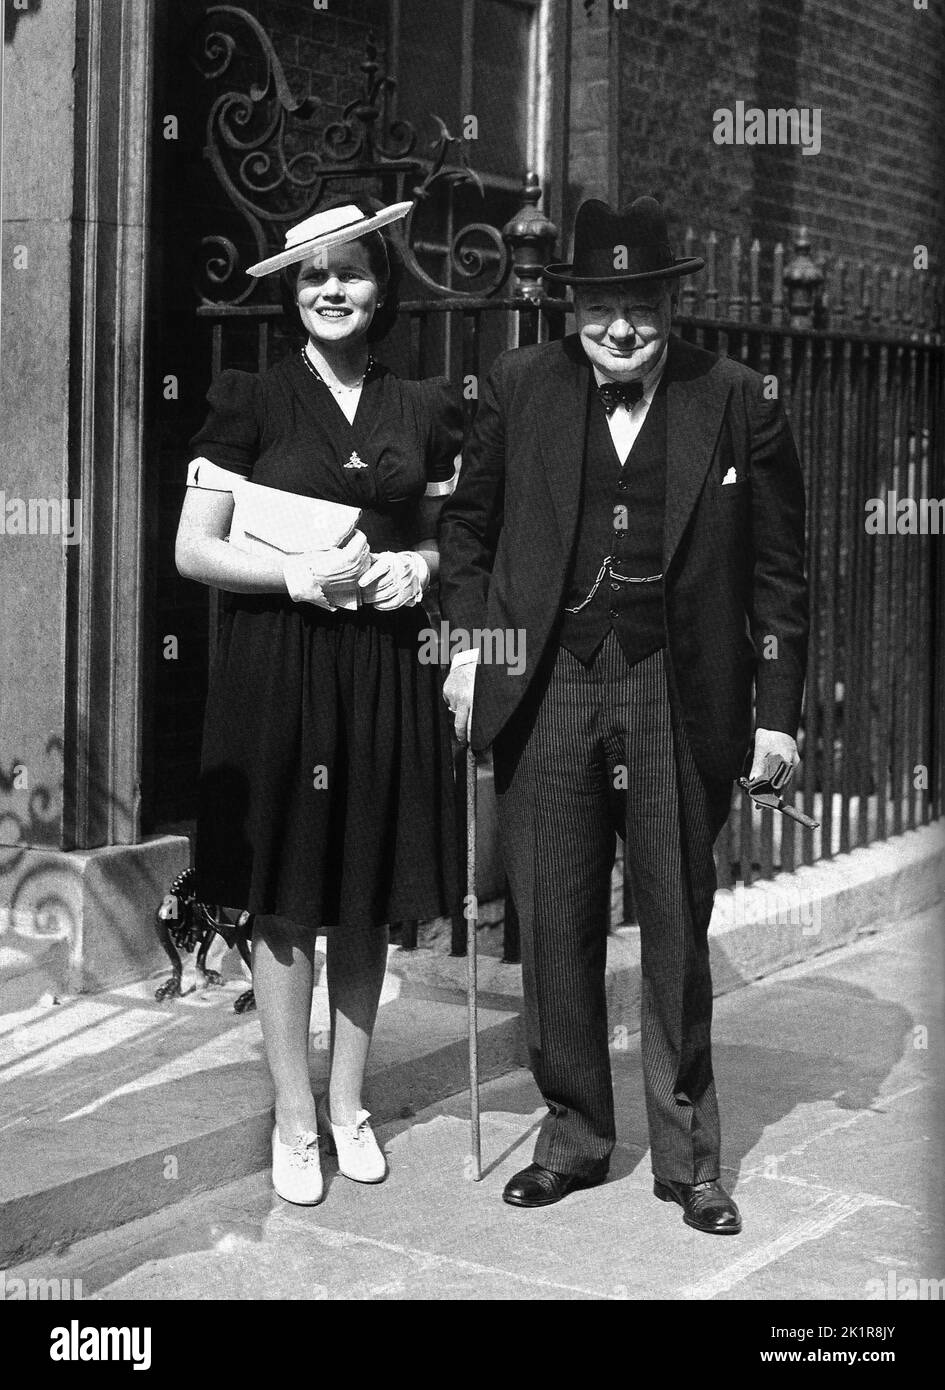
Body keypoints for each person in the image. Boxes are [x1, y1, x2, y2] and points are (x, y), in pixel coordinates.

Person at [439, 196, 808, 1234]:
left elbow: (781, 569)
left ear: (668, 303)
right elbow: (466, 529)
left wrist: (775, 717)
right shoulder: (518, 385)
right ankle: (573, 1136)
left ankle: (689, 1158)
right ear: (575, 306)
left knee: (677, 922)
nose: (621, 328)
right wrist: (474, 646)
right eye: (601, 306)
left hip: (678, 691)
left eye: (639, 306)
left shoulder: (735, 398)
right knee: (553, 913)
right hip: (547, 679)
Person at [175, 198, 461, 1206]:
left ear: (382, 285)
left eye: (349, 271)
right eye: (310, 275)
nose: (331, 289)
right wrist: (297, 580)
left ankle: (351, 1104)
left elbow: (439, 536)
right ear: (293, 294)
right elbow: (194, 547)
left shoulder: (421, 405)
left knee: (362, 893)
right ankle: (295, 1118)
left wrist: (419, 572)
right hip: (281, 670)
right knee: (288, 893)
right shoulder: (250, 398)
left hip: (379, 672)